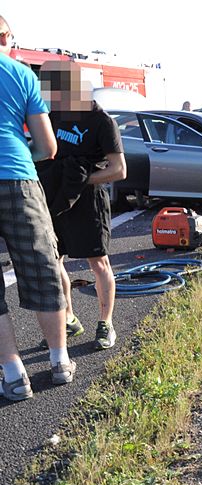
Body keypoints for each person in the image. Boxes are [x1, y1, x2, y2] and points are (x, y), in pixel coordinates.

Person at [0, 15, 74, 401]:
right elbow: (48, 147)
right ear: (6, 36)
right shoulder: (21, 74)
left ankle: (14, 375)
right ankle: (59, 361)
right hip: (17, 177)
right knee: (43, 267)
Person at [37, 60, 126, 351]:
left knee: (98, 263)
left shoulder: (102, 122)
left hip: (89, 201)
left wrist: (84, 179)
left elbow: (119, 169)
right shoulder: (55, 115)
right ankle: (70, 319)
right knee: (56, 259)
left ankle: (106, 323)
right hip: (59, 198)